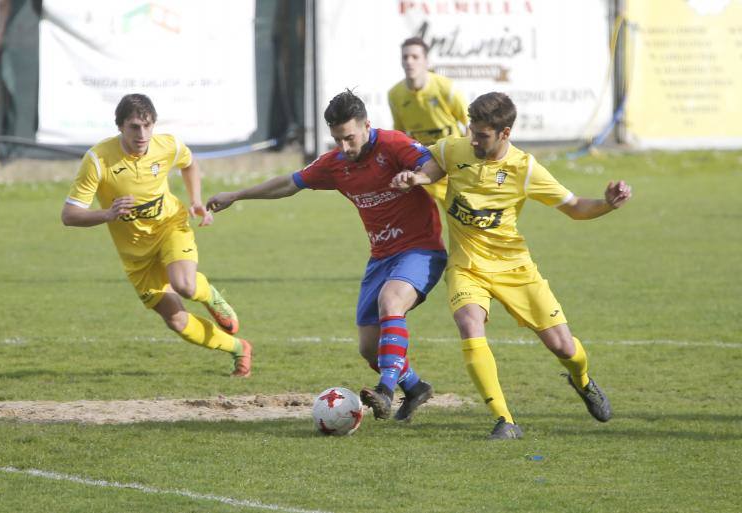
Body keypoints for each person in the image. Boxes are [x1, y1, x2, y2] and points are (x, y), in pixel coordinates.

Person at [392, 92, 632, 439]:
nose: (473, 139)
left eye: (482, 135)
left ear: (505, 133)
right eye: (472, 130)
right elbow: (433, 168)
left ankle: (582, 380)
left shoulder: (525, 168)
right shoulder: (453, 149)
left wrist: (608, 204)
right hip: (467, 266)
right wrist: (416, 178)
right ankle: (505, 420)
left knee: (565, 347)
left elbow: (576, 207)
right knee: (469, 322)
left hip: (514, 268)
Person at [207, 90, 447, 422]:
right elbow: (288, 185)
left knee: (391, 302)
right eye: (337, 140)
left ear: (367, 125)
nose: (344, 148)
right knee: (368, 347)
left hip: (421, 249)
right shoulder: (335, 164)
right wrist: (237, 194)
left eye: (349, 138)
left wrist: (417, 177)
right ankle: (417, 387)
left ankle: (386, 392)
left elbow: (434, 166)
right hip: (381, 257)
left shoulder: (393, 145)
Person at [60, 93, 253, 378]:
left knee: (185, 285)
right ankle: (239, 348)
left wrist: (196, 200)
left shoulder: (167, 145)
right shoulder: (98, 160)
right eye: (134, 127)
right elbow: (69, 215)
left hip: (169, 227)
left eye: (148, 126)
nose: (142, 134)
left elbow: (189, 164)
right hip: (136, 255)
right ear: (120, 127)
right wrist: (108, 214)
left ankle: (210, 296)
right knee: (176, 320)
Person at [388, 37, 469, 203]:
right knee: (417, 222)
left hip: (452, 166)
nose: (409, 62)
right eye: (405, 57)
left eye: (415, 57)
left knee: (466, 221)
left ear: (426, 61)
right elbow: (400, 134)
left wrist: (465, 160)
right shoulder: (395, 94)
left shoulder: (446, 88)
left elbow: (470, 123)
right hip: (422, 168)